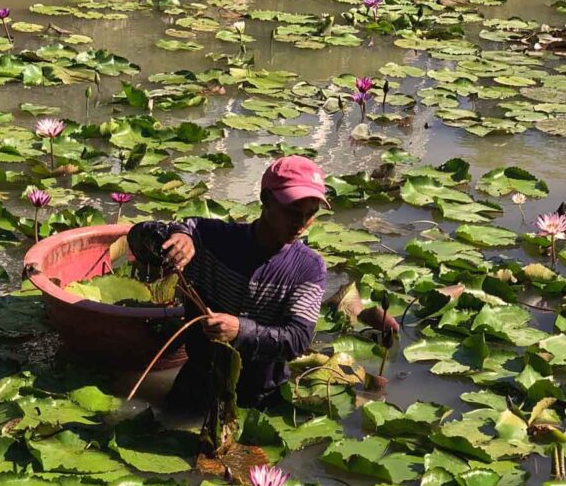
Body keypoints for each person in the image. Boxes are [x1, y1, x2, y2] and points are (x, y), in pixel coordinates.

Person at [128, 155, 396, 410]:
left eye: (310, 213)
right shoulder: (211, 239)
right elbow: (138, 237)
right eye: (292, 211)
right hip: (199, 380)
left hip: (261, 394)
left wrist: (240, 330)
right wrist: (176, 237)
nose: (301, 224)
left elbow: (298, 339)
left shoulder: (308, 268)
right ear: (266, 199)